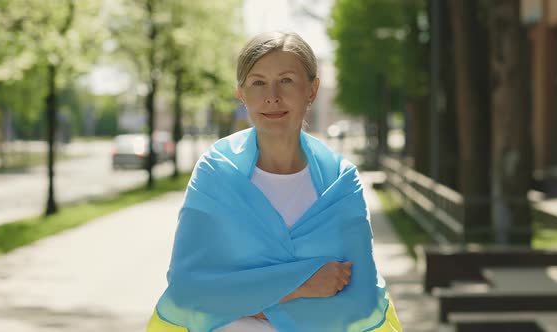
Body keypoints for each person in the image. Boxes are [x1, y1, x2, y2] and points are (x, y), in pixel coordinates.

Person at [147, 31, 402, 332]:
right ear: (241, 93)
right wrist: (302, 284)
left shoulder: (340, 181)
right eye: (258, 83)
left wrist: (243, 297)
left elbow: (361, 302)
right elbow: (188, 290)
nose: (272, 96)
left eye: (286, 80)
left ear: (312, 89)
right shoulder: (216, 172)